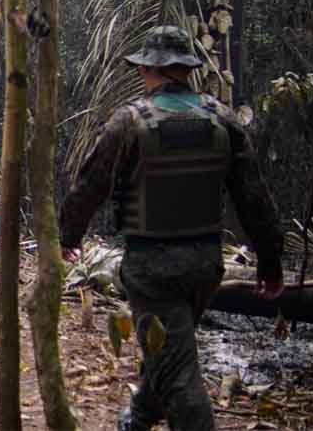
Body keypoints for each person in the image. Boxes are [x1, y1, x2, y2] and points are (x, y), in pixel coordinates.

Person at [57, 26, 284, 431]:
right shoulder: (221, 118)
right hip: (205, 266)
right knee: (169, 351)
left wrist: (68, 237)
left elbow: (91, 184)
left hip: (152, 269)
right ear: (187, 71)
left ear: (148, 70)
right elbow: (254, 196)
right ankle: (140, 416)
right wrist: (270, 261)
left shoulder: (131, 121)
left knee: (178, 371)